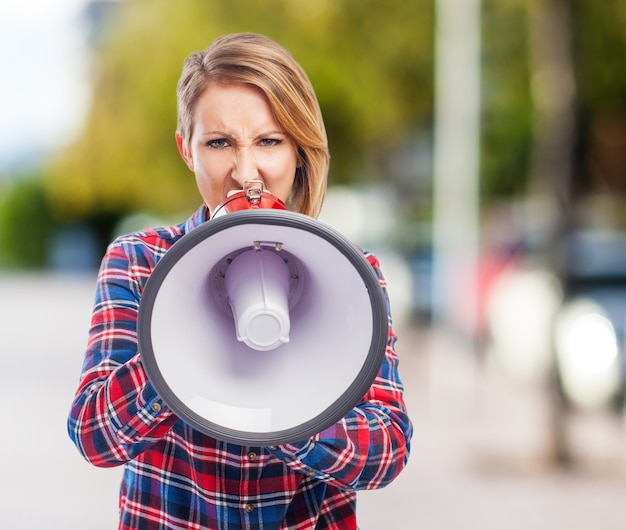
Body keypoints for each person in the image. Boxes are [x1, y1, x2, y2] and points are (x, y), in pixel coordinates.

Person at [68, 32, 412, 530]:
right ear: (188, 150)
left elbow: (388, 452)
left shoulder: (354, 275)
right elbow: (94, 437)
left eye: (269, 141)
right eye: (219, 142)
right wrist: (175, 353)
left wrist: (290, 414)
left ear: (299, 151)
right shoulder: (139, 264)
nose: (245, 171)